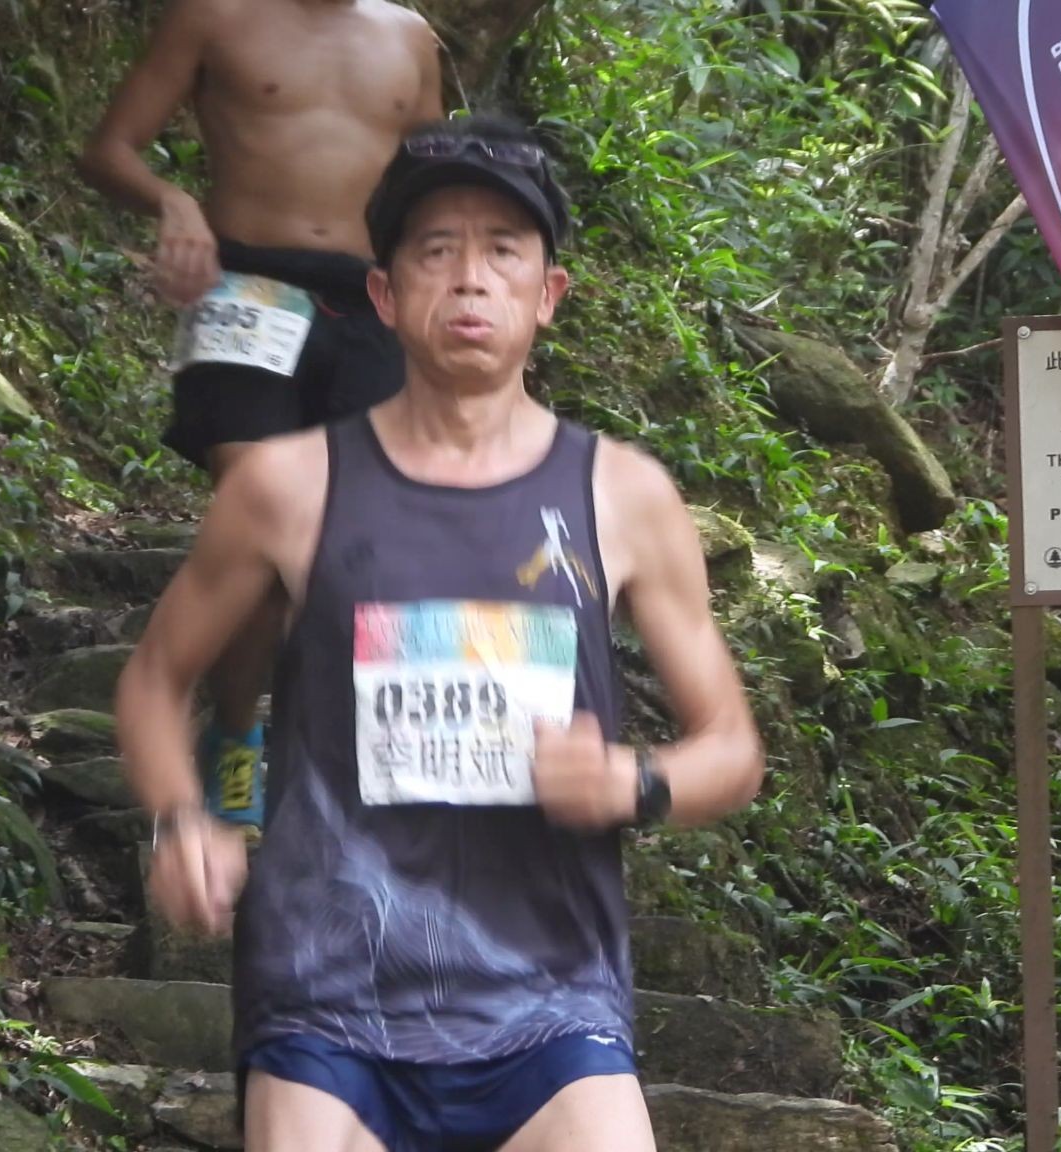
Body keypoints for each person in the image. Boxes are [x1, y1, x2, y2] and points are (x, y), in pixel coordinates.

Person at [113, 115, 767, 1151]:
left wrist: (633, 782)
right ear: (384, 296)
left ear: (548, 294)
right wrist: (179, 818)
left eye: (503, 250)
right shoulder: (286, 486)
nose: (470, 279)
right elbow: (156, 678)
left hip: (551, 992)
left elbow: (731, 748)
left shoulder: (624, 495)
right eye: (435, 250)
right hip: (325, 993)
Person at [78, 0, 445, 831]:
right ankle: (238, 736)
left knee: (362, 539)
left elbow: (436, 183)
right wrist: (174, 201)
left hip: (374, 306)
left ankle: (336, 752)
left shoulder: (409, 36)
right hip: (246, 288)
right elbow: (107, 149)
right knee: (266, 521)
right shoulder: (217, 15)